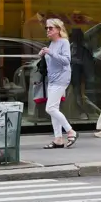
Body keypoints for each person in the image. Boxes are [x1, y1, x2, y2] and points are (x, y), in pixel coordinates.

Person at [38, 18, 76, 148]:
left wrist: (50, 53)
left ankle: (70, 131)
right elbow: (51, 61)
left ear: (58, 30)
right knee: (55, 108)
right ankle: (58, 139)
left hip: (61, 78)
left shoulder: (63, 42)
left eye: (51, 28)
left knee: (50, 108)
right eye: (47, 28)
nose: (48, 30)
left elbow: (66, 61)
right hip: (53, 79)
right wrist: (43, 54)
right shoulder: (52, 43)